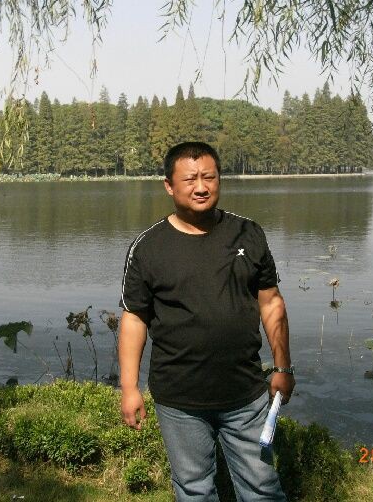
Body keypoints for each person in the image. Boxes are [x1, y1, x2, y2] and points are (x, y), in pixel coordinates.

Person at [118, 141, 295, 502]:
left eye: (209, 177)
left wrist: (282, 367)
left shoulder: (248, 234)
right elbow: (134, 318)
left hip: (245, 394)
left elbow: (271, 303)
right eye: (190, 179)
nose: (201, 187)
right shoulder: (148, 247)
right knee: (193, 489)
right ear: (169, 186)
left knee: (262, 487)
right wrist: (129, 387)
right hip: (179, 398)